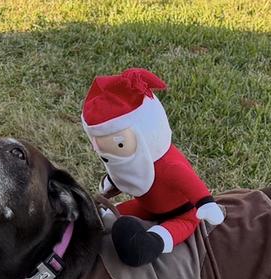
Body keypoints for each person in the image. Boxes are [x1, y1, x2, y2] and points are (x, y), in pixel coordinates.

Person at [81, 68, 225, 267]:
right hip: (147, 206)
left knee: (173, 229)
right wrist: (112, 182)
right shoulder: (127, 161)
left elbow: (195, 187)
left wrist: (206, 204)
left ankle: (149, 244)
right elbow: (126, 174)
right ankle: (97, 224)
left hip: (182, 213)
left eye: (119, 146)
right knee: (110, 214)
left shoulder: (169, 167)